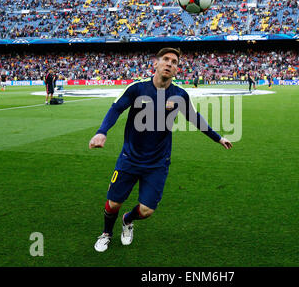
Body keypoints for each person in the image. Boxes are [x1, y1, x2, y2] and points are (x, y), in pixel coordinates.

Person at [89, 47, 233, 252]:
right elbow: (116, 109)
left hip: (158, 162)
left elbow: (195, 118)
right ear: (155, 64)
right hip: (130, 158)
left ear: (176, 70)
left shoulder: (180, 95)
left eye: (174, 62)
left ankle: (128, 220)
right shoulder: (136, 89)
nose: (169, 64)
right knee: (113, 203)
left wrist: (218, 138)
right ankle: (106, 233)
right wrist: (102, 132)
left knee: (147, 211)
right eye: (165, 59)